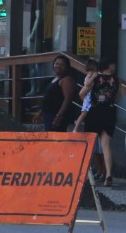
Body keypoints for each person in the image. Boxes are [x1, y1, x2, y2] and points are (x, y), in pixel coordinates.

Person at [75, 58, 118, 187]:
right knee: (106, 145)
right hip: (109, 112)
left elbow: (81, 93)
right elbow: (117, 98)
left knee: (89, 144)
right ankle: (108, 175)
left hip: (95, 112)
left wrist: (89, 102)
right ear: (109, 66)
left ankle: (86, 176)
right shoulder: (116, 80)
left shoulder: (95, 79)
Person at [39, 54, 78, 132]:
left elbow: (68, 99)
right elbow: (48, 96)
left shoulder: (67, 79)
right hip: (49, 115)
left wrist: (58, 116)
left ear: (67, 67)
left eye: (62, 64)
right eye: (56, 63)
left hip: (57, 115)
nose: (58, 66)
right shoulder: (55, 78)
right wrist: (40, 112)